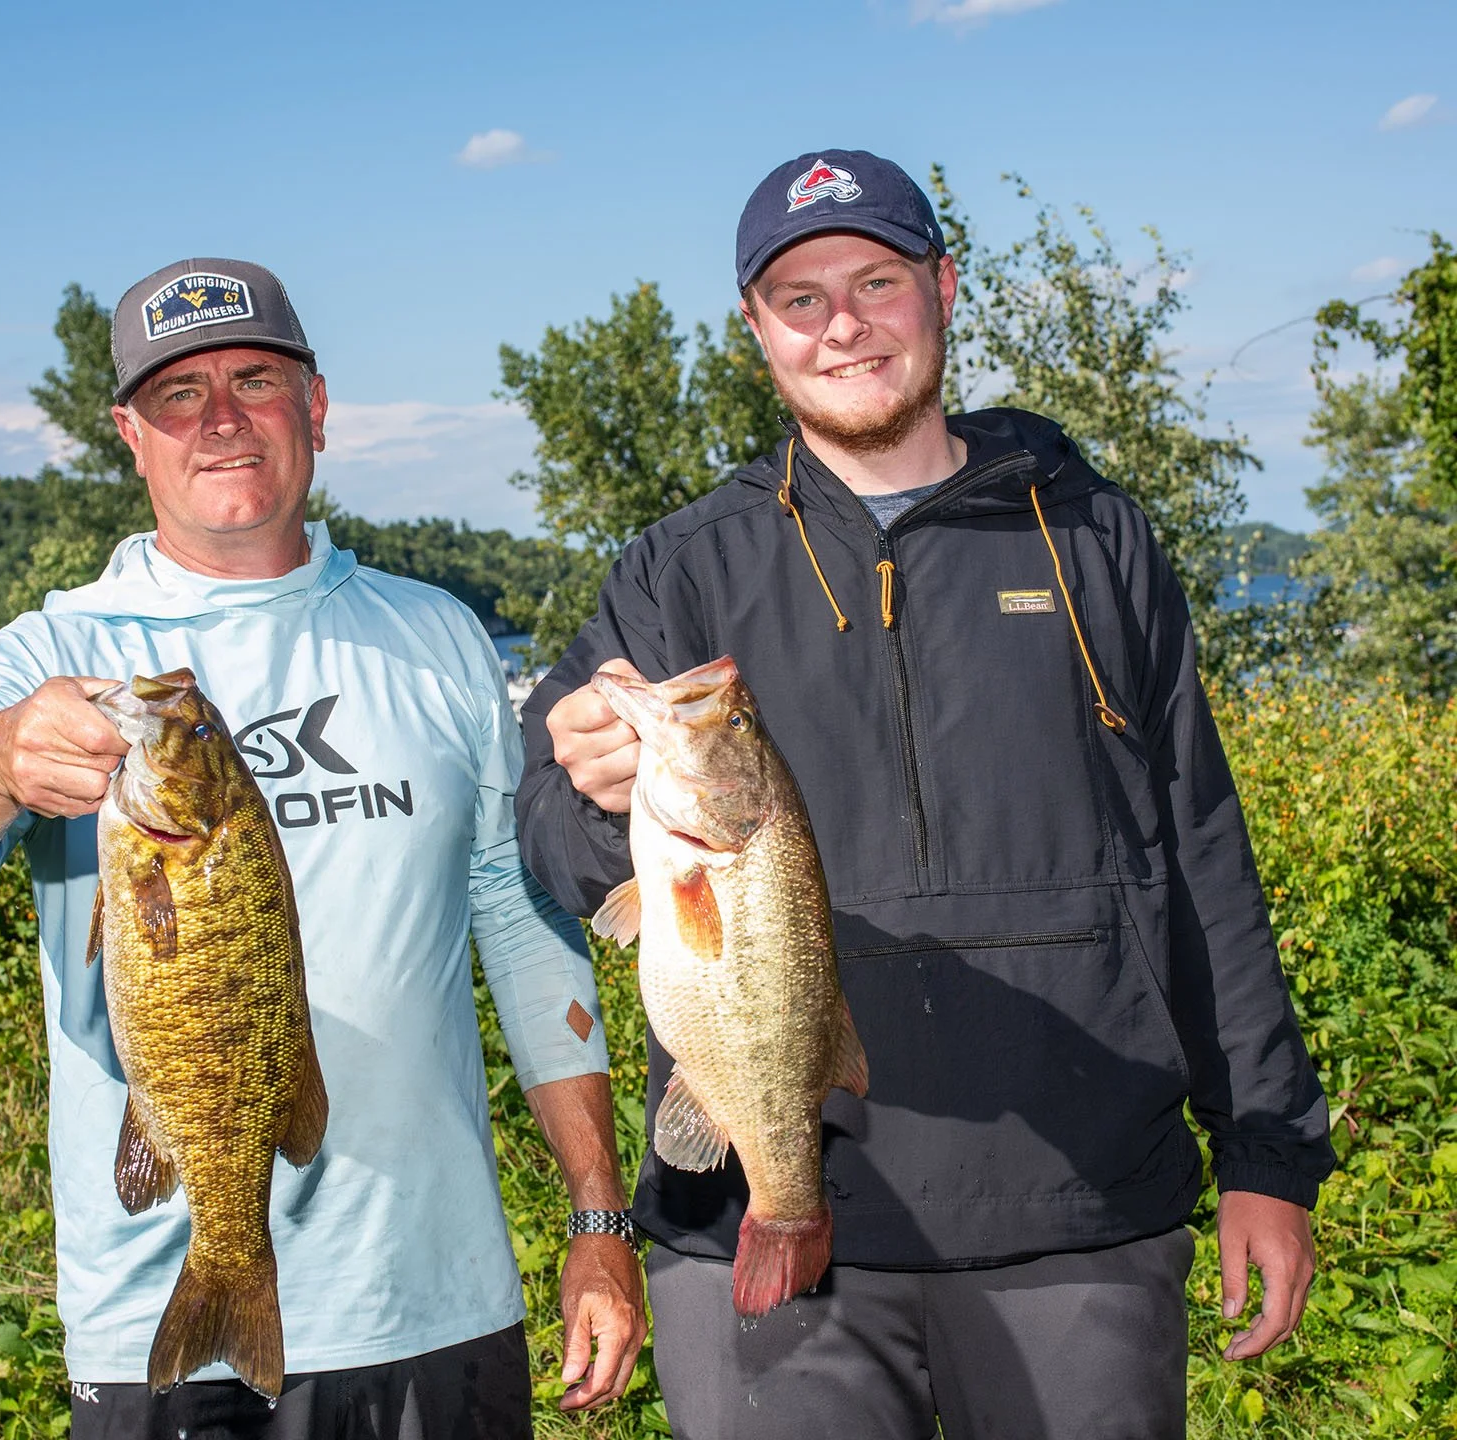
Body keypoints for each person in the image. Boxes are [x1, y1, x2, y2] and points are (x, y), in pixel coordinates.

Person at [514, 152, 1335, 1440]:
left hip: (1081, 1216)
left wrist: (1267, 1152)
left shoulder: (1095, 539)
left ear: (943, 289)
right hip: (754, 1231)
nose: (842, 324)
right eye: (800, 299)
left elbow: (1202, 858)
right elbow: (555, 857)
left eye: (877, 282)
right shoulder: (678, 572)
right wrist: (587, 787)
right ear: (756, 331)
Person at [0, 258, 645, 1440]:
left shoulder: (439, 637)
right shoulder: (53, 650)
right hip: (154, 1323)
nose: (220, 417)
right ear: (131, 436)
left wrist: (598, 1218)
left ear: (315, 406)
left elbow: (525, 933)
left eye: (255, 380)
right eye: (178, 394)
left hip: (438, 1302)